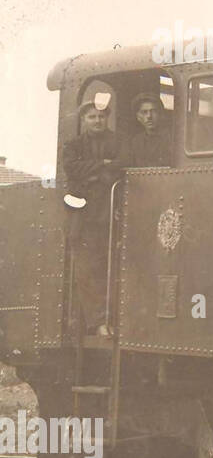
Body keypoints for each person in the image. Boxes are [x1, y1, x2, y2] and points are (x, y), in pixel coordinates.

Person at [62, 100, 123, 335]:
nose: (97, 121)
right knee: (86, 270)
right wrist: (102, 166)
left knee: (109, 267)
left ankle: (109, 319)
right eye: (92, 117)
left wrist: (91, 174)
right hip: (83, 217)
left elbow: (121, 165)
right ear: (83, 120)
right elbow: (71, 169)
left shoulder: (117, 141)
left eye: (101, 117)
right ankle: (96, 322)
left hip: (108, 213)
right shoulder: (73, 144)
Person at [126, 91, 172, 167]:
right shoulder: (136, 142)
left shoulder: (171, 138)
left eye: (153, 111)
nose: (149, 116)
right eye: (144, 112)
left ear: (160, 114)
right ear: (138, 117)